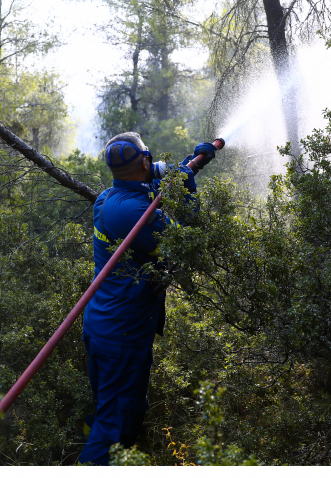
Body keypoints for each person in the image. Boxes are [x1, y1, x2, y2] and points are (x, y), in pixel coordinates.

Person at [78, 132, 217, 465]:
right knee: (118, 424)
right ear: (143, 160)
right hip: (123, 335)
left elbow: (144, 195)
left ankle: (85, 442)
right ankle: (95, 461)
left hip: (101, 324)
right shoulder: (135, 216)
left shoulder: (108, 198)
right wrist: (186, 187)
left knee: (108, 404)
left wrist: (184, 168)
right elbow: (191, 242)